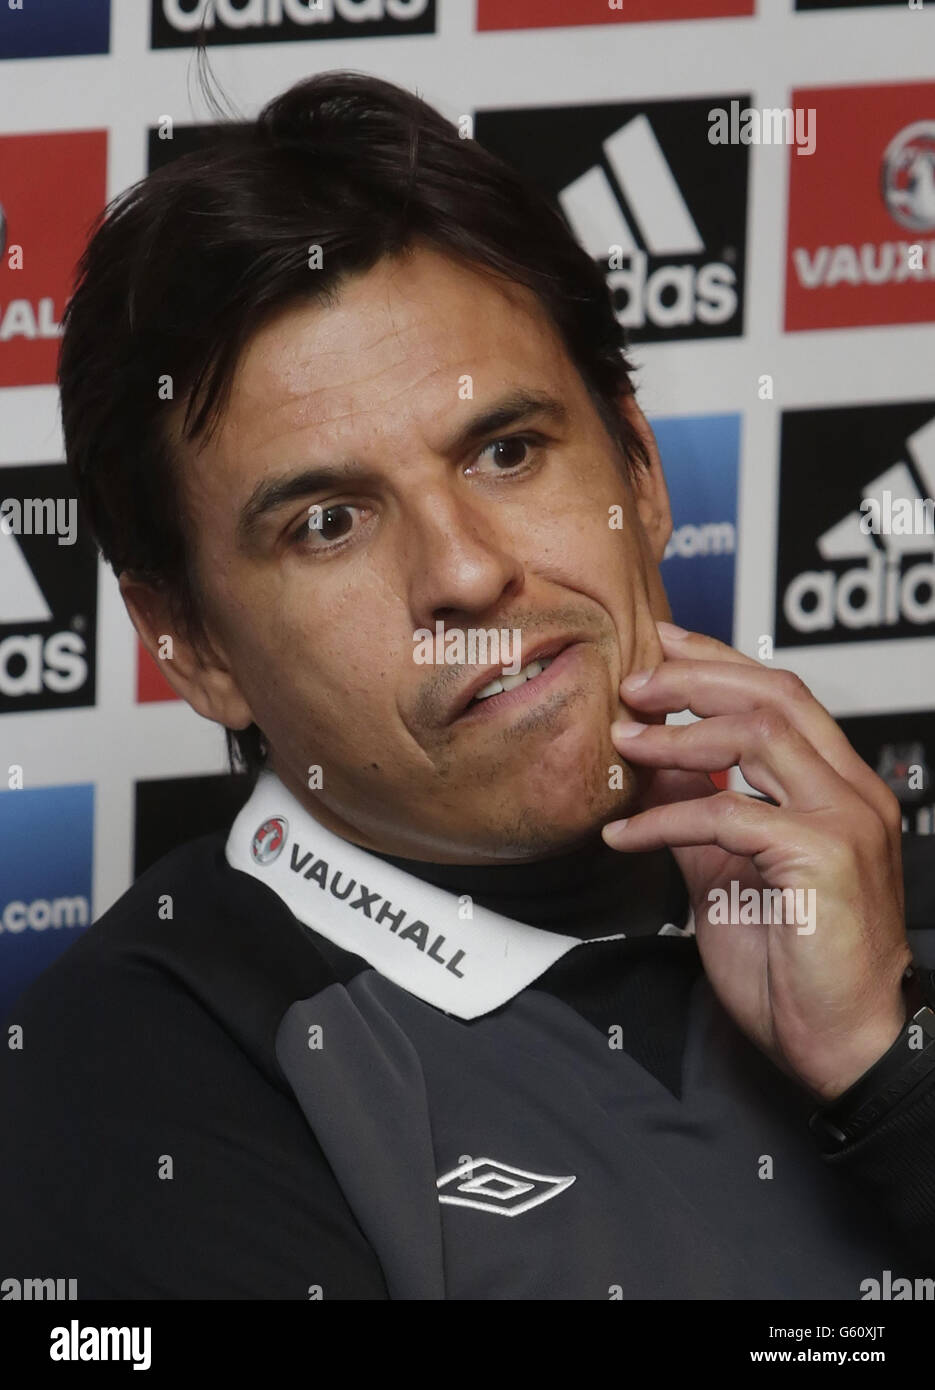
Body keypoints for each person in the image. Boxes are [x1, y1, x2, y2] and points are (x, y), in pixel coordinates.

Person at [2, 70, 934, 1301]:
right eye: (328, 522)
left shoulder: (886, 894)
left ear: (639, 471)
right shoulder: (130, 1084)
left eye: (505, 451)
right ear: (190, 642)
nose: (466, 572)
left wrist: (886, 1067)